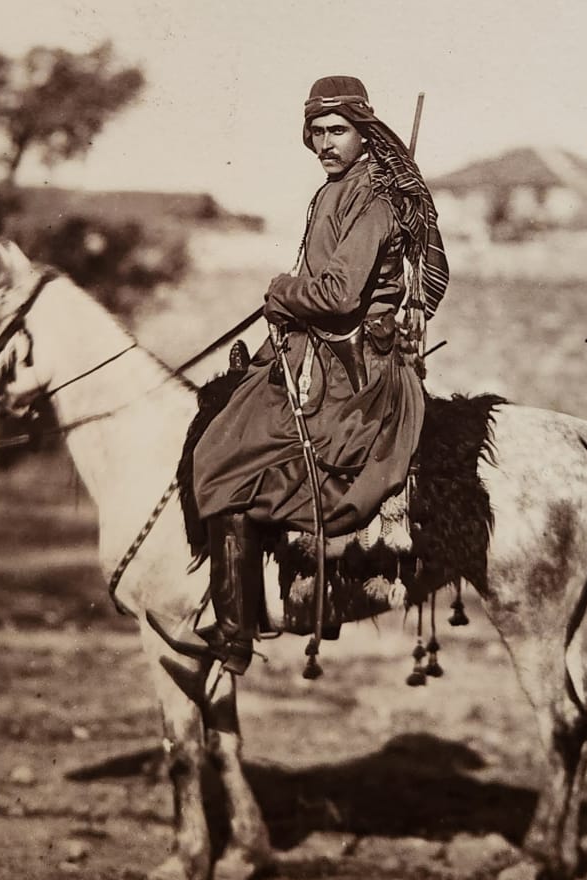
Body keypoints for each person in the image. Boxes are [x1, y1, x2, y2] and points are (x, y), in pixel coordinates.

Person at [191, 75, 449, 674]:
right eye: (317, 131)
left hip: (358, 376)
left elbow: (335, 296)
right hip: (322, 357)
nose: (326, 142)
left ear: (365, 134)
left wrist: (279, 292)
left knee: (221, 461)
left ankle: (235, 630)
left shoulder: (374, 200)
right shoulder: (334, 191)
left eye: (339, 130)